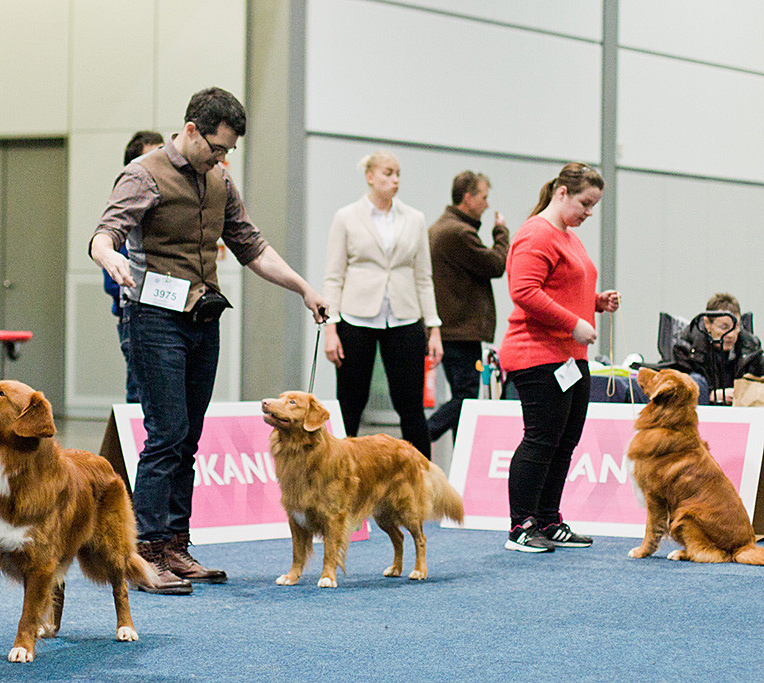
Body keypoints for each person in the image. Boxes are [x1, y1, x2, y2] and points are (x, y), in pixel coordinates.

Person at [90, 87, 328, 594]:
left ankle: (176, 544)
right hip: (152, 317)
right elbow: (105, 232)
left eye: (228, 153)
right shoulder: (144, 173)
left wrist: (304, 288)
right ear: (192, 130)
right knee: (167, 434)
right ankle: (146, 551)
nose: (221, 160)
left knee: (190, 438)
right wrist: (108, 256)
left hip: (202, 317)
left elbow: (252, 247)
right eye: (215, 148)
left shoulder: (219, 179)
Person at [498, 162, 620, 553]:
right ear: (562, 193)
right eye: (585, 203)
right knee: (540, 439)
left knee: (564, 441)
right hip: (537, 352)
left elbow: (563, 288)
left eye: (594, 206)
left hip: (570, 355)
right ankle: (521, 525)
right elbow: (525, 292)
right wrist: (573, 322)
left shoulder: (569, 237)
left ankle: (549, 519)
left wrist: (595, 303)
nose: (588, 213)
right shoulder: (536, 233)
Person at [322, 151, 442, 459]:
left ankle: (424, 481)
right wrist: (330, 329)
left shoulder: (414, 219)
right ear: (370, 176)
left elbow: (423, 277)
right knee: (350, 403)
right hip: (355, 318)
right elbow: (333, 277)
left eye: (398, 173)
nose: (395, 179)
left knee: (410, 405)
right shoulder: (346, 217)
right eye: (388, 173)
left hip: (404, 319)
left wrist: (434, 327)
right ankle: (339, 478)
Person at [428, 171, 509, 442]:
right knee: (466, 396)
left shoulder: (443, 228)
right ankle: (419, 436)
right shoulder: (458, 233)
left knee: (463, 399)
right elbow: (496, 264)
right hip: (460, 332)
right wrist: (501, 233)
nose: (487, 204)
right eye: (484, 197)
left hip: (452, 330)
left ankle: (459, 461)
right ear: (468, 197)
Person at [102, 131, 164, 403]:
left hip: (168, 316)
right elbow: (112, 282)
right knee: (141, 394)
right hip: (137, 317)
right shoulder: (124, 209)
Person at [671, 293, 764, 405]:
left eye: (737, 326)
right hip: (700, 411)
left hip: (742, 414)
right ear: (707, 324)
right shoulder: (687, 348)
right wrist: (710, 394)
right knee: (696, 382)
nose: (731, 334)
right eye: (724, 327)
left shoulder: (750, 348)